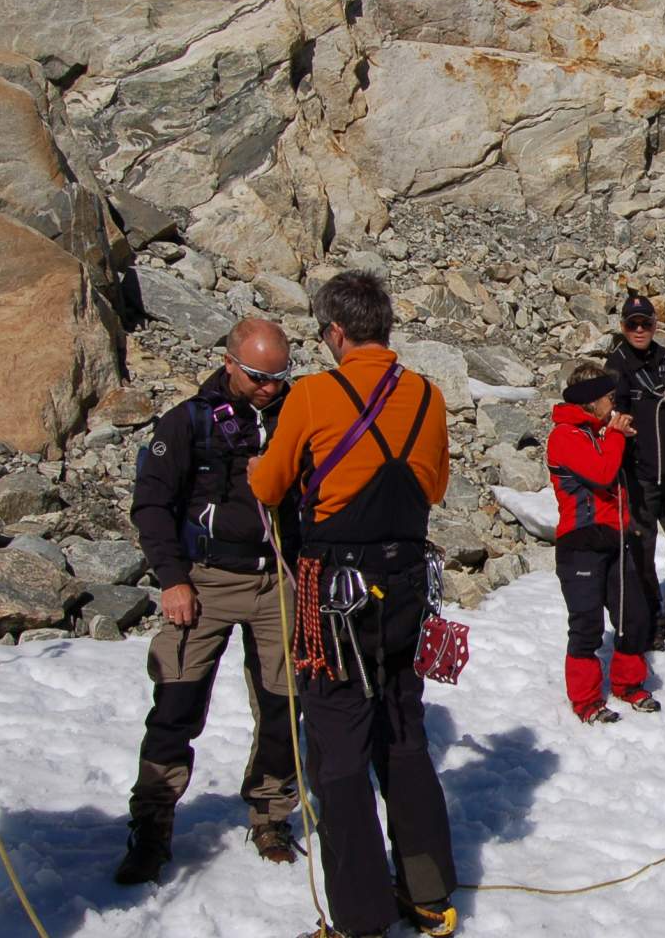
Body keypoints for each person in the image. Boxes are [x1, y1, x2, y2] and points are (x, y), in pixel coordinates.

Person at [249, 271, 458, 938]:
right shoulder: (428, 395)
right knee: (402, 734)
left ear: (336, 332)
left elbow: (267, 481)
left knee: (338, 752)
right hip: (405, 588)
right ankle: (426, 891)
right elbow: (435, 483)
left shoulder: (312, 395)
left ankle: (361, 918)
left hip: (333, 596)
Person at [116, 318, 299, 885]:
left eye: (279, 377)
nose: (270, 388)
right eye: (258, 377)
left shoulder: (298, 416)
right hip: (205, 581)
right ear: (230, 364)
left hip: (278, 581)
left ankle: (271, 813)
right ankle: (152, 822)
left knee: (282, 706)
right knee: (176, 702)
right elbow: (151, 506)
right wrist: (172, 579)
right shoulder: (187, 422)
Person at [546, 364, 660, 723]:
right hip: (580, 543)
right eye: (608, 398)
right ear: (590, 401)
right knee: (587, 624)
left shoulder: (597, 433)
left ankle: (628, 684)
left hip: (614, 539)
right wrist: (616, 436)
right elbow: (602, 474)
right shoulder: (564, 436)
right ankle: (586, 700)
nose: (614, 404)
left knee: (634, 616)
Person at [603, 295, 665, 649]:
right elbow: (613, 414)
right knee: (642, 550)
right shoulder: (616, 365)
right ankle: (650, 618)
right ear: (623, 327)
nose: (640, 329)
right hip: (640, 475)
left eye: (645, 322)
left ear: (655, 323)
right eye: (633, 324)